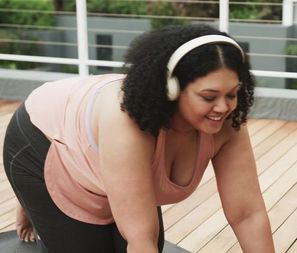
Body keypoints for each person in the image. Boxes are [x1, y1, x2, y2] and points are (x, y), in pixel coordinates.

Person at [3, 24, 275, 253]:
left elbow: (247, 214)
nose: (223, 107)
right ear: (171, 89)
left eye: (232, 93)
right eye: (208, 97)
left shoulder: (227, 122)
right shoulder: (129, 123)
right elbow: (139, 239)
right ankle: (34, 196)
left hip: (106, 152)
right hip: (41, 142)